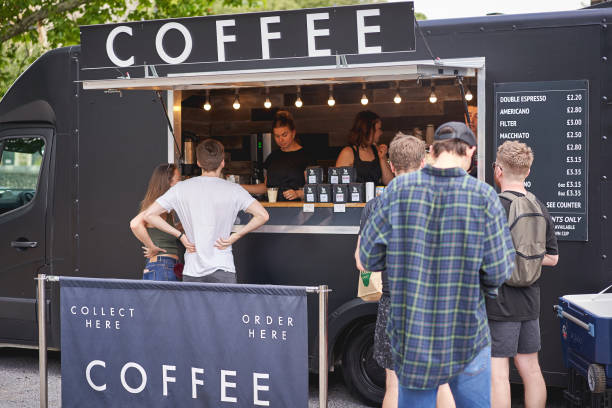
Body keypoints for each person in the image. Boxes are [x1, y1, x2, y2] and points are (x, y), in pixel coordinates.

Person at [358, 121, 515, 407]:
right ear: (470, 151)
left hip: (412, 333)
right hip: (467, 329)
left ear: (433, 151)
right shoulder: (483, 196)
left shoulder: (397, 191)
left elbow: (368, 258)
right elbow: (500, 270)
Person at [355, 134, 456, 408]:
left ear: (391, 164)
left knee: (394, 383)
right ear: (424, 162)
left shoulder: (375, 206)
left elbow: (364, 262)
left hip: (393, 304)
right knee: (441, 383)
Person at [487, 141, 559, 408]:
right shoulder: (538, 205)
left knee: (498, 373)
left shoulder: (492, 207)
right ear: (527, 172)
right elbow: (553, 258)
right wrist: (527, 259)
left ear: (498, 171)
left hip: (498, 302)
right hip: (530, 301)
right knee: (531, 368)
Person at [144, 138, 269, 283]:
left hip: (192, 270)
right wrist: (235, 236)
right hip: (223, 267)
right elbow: (263, 215)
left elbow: (149, 214)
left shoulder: (180, 188)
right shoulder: (234, 190)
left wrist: (181, 236)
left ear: (198, 163)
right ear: (222, 162)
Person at [129, 163, 183, 281]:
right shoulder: (155, 207)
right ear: (167, 182)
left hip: (164, 266)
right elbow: (134, 224)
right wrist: (151, 246)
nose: (180, 184)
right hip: (163, 265)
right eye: (178, 180)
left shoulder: (165, 210)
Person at [242, 110, 311, 201]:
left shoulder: (306, 156)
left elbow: (313, 190)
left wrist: (298, 193)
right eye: (277, 136)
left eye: (284, 135)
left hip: (298, 210)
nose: (280, 140)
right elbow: (266, 187)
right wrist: (241, 187)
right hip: (274, 209)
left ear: (293, 133)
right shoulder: (272, 157)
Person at [335, 110, 393, 185]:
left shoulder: (378, 151)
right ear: (369, 130)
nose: (381, 132)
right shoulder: (348, 152)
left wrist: (382, 158)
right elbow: (338, 184)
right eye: (379, 129)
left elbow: (390, 183)